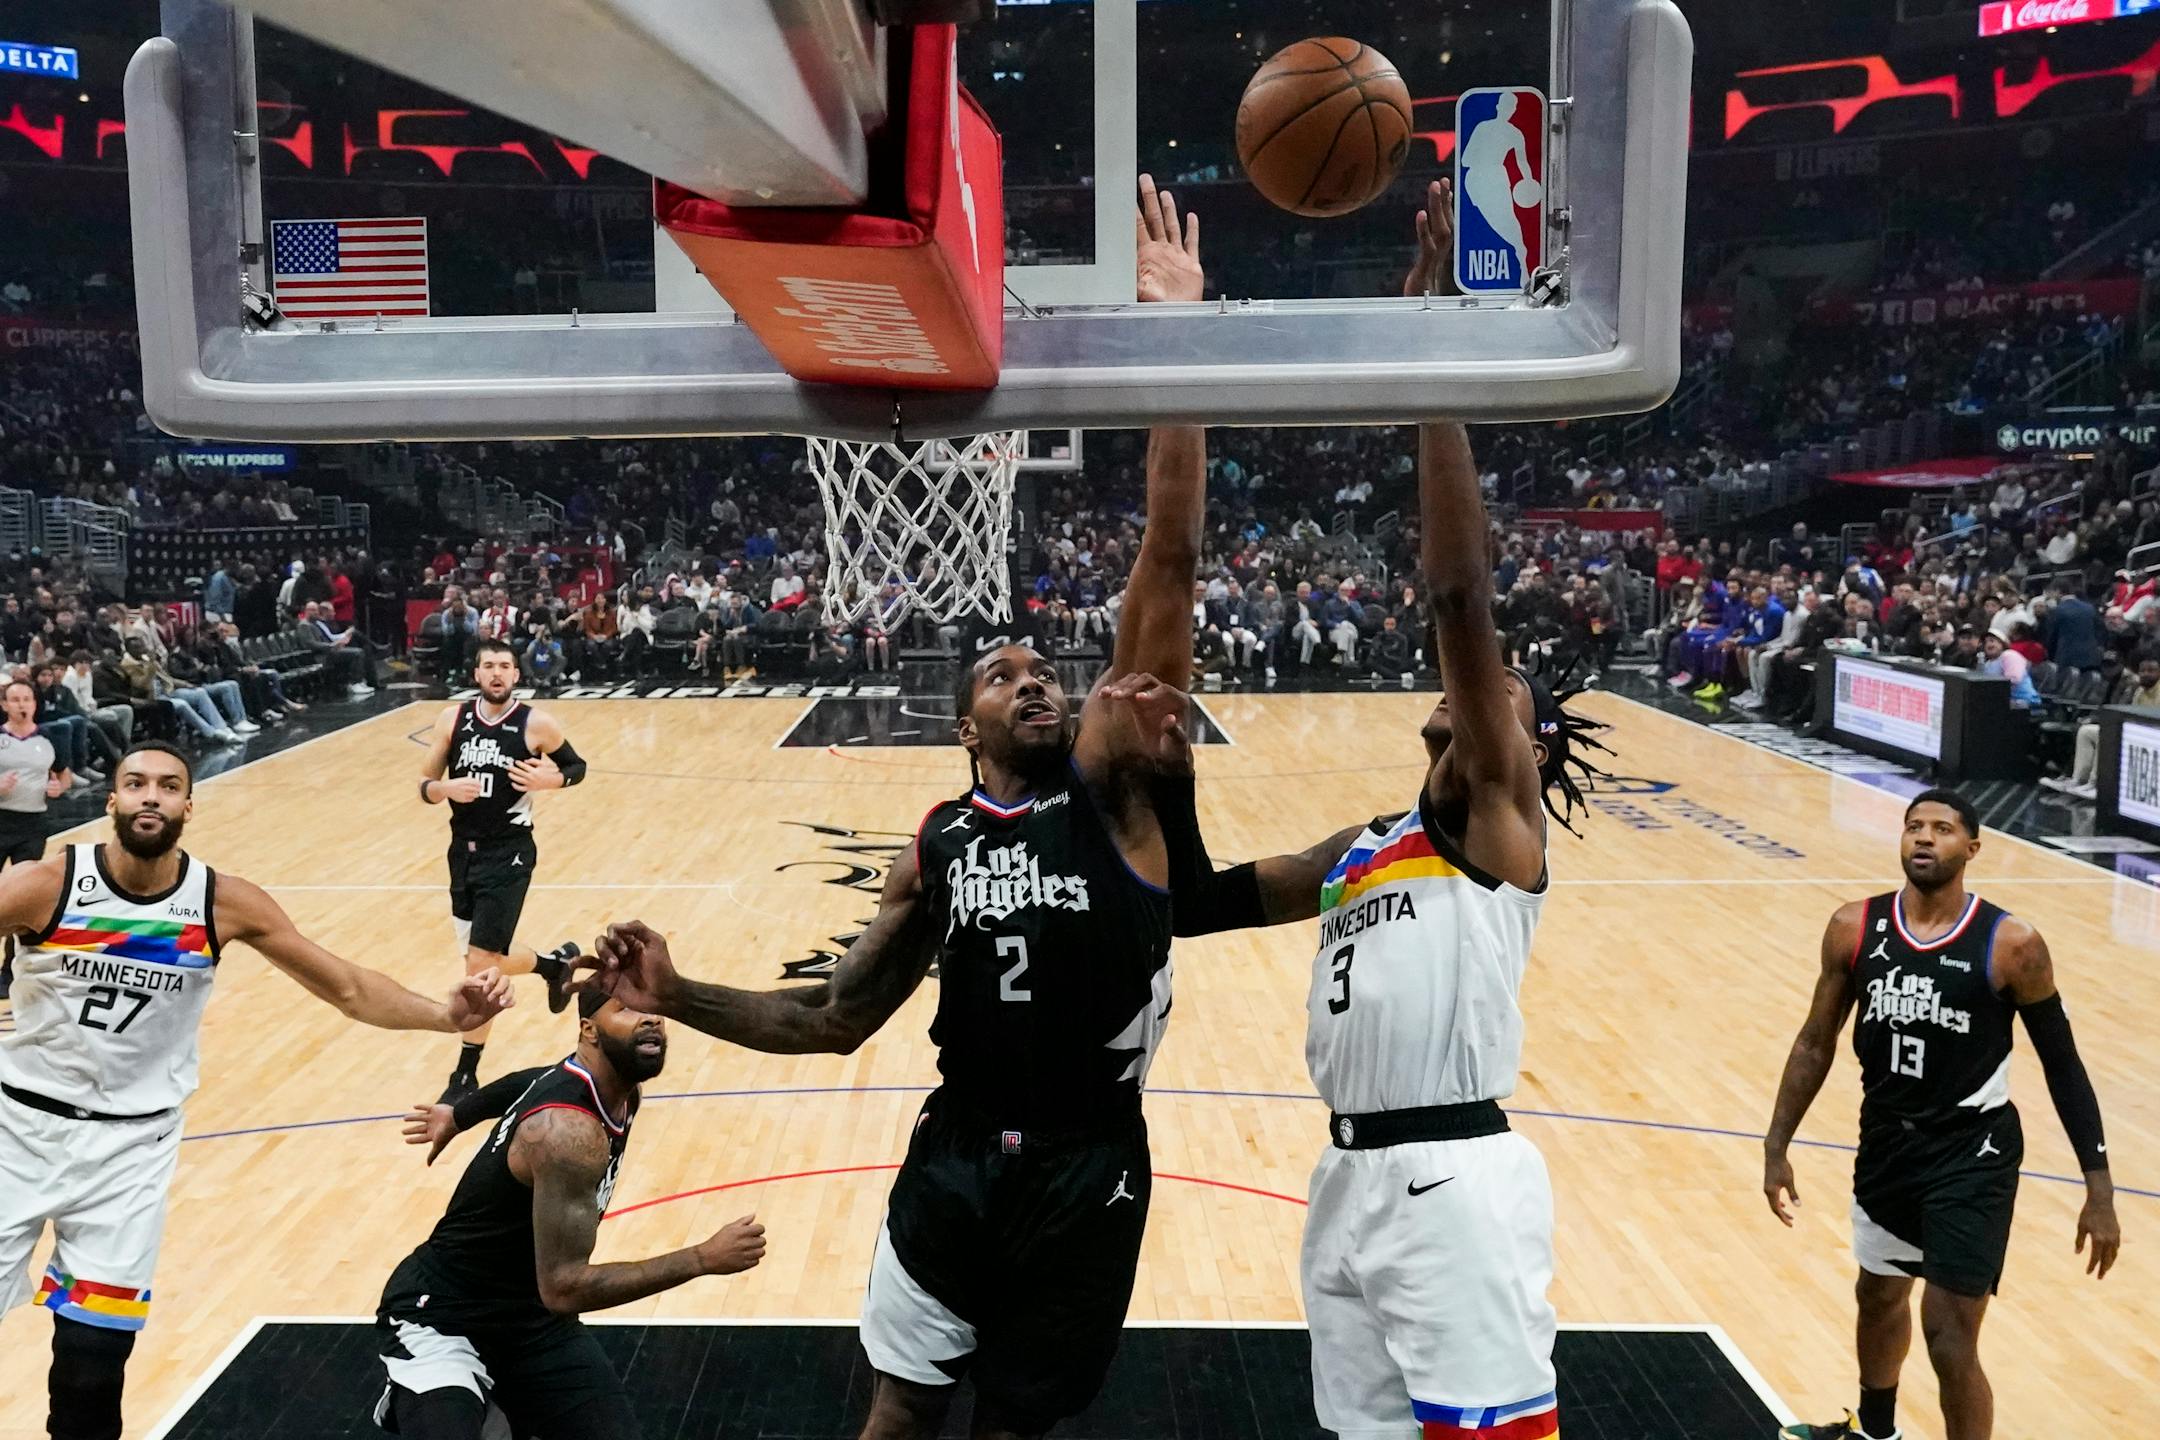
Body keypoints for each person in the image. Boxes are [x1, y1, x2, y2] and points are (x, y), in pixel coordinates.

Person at [570, 176, 1211, 1440]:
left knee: (1017, 1426)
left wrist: (1174, 339)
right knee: (897, 1418)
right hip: (955, 1153)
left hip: (1088, 1162)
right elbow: (835, 1015)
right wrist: (677, 991)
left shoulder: (1115, 794)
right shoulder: (941, 839)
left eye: (1045, 670)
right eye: (1002, 674)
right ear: (960, 723)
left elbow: (1171, 561)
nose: (1035, 679)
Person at [1124, 181, 1598, 1440]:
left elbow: (1455, 591)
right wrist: (1166, 774)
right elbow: (1199, 904)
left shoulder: (1501, 827)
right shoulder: (1363, 851)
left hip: (1456, 1178)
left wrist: (1428, 364)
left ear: (1523, 739)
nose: (1486, 684)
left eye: (1509, 688)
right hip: (1345, 1178)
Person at [0, 741, 515, 1440]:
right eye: (136, 784)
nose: (152, 796)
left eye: (168, 786)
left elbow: (349, 988)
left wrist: (444, 1015)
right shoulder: (47, 885)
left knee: (94, 1365)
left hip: (131, 1151)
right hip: (17, 1134)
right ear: (111, 800)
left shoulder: (222, 902)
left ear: (189, 804)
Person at [1764, 789, 2119, 1440]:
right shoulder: (1854, 927)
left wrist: (2098, 1186)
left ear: (1972, 849)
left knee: (1949, 1335)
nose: (1925, 838)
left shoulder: (2012, 944)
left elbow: (2063, 1065)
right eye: (1914, 827)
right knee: (1878, 1295)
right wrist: (1776, 1144)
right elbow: (1816, 1040)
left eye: (1943, 829)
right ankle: (1875, 1432)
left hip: (1972, 1152)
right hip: (1888, 1143)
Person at [374, 994, 766, 1440]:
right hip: (444, 1318)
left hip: (532, 1322)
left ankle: (502, 1405)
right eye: (627, 1009)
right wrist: (700, 1258)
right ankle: (444, 1396)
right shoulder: (567, 1132)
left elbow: (531, 1078)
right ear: (589, 1030)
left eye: (653, 1007)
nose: (651, 1019)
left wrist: (458, 1115)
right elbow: (563, 1288)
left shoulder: (615, 1087)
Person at [419, 639, 586, 1101]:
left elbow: (577, 767)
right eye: (489, 665)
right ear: (477, 674)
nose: (497, 673)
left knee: (479, 966)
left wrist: (549, 779)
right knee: (483, 955)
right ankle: (555, 966)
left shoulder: (537, 723)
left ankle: (465, 1074)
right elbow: (424, 785)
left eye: (505, 666)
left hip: (510, 853)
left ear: (516, 675)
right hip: (462, 852)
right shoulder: (452, 719)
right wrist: (444, 788)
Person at [0, 679, 70, 998]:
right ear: (4, 705)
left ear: (34, 703)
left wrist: (60, 787)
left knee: (22, 896)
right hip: (1, 820)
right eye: (15, 699)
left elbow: (64, 773)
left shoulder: (48, 738)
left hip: (33, 825)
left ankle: (9, 970)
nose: (21, 704)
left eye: (26, 699)